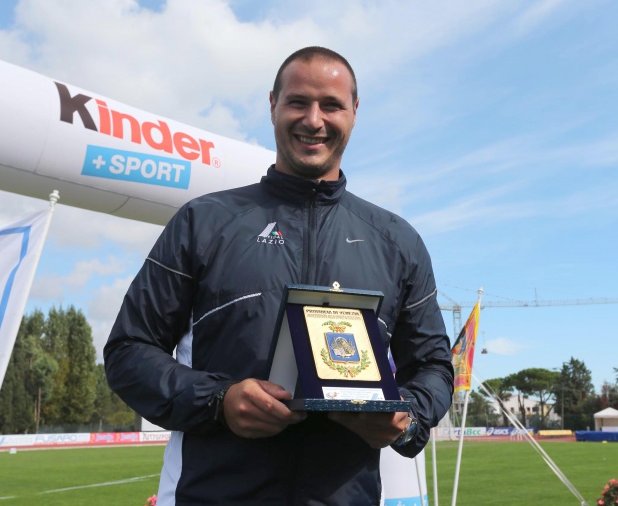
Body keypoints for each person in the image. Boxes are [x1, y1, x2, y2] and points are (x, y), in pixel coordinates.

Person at [104, 46, 453, 506]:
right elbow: (128, 351)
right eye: (298, 102)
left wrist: (405, 419)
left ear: (354, 112)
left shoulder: (397, 241)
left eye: (331, 105)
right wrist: (218, 400)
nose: (314, 119)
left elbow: (433, 367)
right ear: (273, 105)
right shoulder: (202, 221)